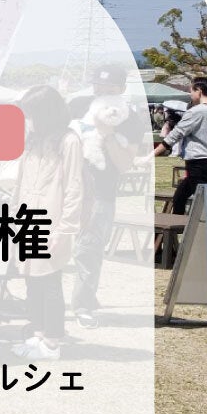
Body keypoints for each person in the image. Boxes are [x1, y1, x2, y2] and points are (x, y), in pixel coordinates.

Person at [11, 86, 84, 360]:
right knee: (31, 279)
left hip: (52, 219)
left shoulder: (69, 140)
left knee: (50, 279)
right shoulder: (33, 138)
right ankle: (38, 333)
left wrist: (64, 229)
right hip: (27, 217)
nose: (30, 119)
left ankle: (52, 341)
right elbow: (20, 181)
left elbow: (74, 187)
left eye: (33, 113)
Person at [69, 63, 136, 329]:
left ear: (121, 88)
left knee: (88, 249)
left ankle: (83, 304)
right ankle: (45, 304)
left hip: (100, 193)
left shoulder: (129, 118)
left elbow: (125, 164)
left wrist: (107, 135)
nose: (103, 90)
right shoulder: (77, 105)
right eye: (99, 84)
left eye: (110, 86)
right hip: (67, 188)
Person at [156, 77, 207, 214]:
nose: (190, 94)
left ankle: (206, 225)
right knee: (180, 197)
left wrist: (151, 154)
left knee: (203, 202)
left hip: (198, 162)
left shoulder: (195, 112)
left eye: (191, 91)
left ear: (199, 91)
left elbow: (174, 136)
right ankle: (179, 224)